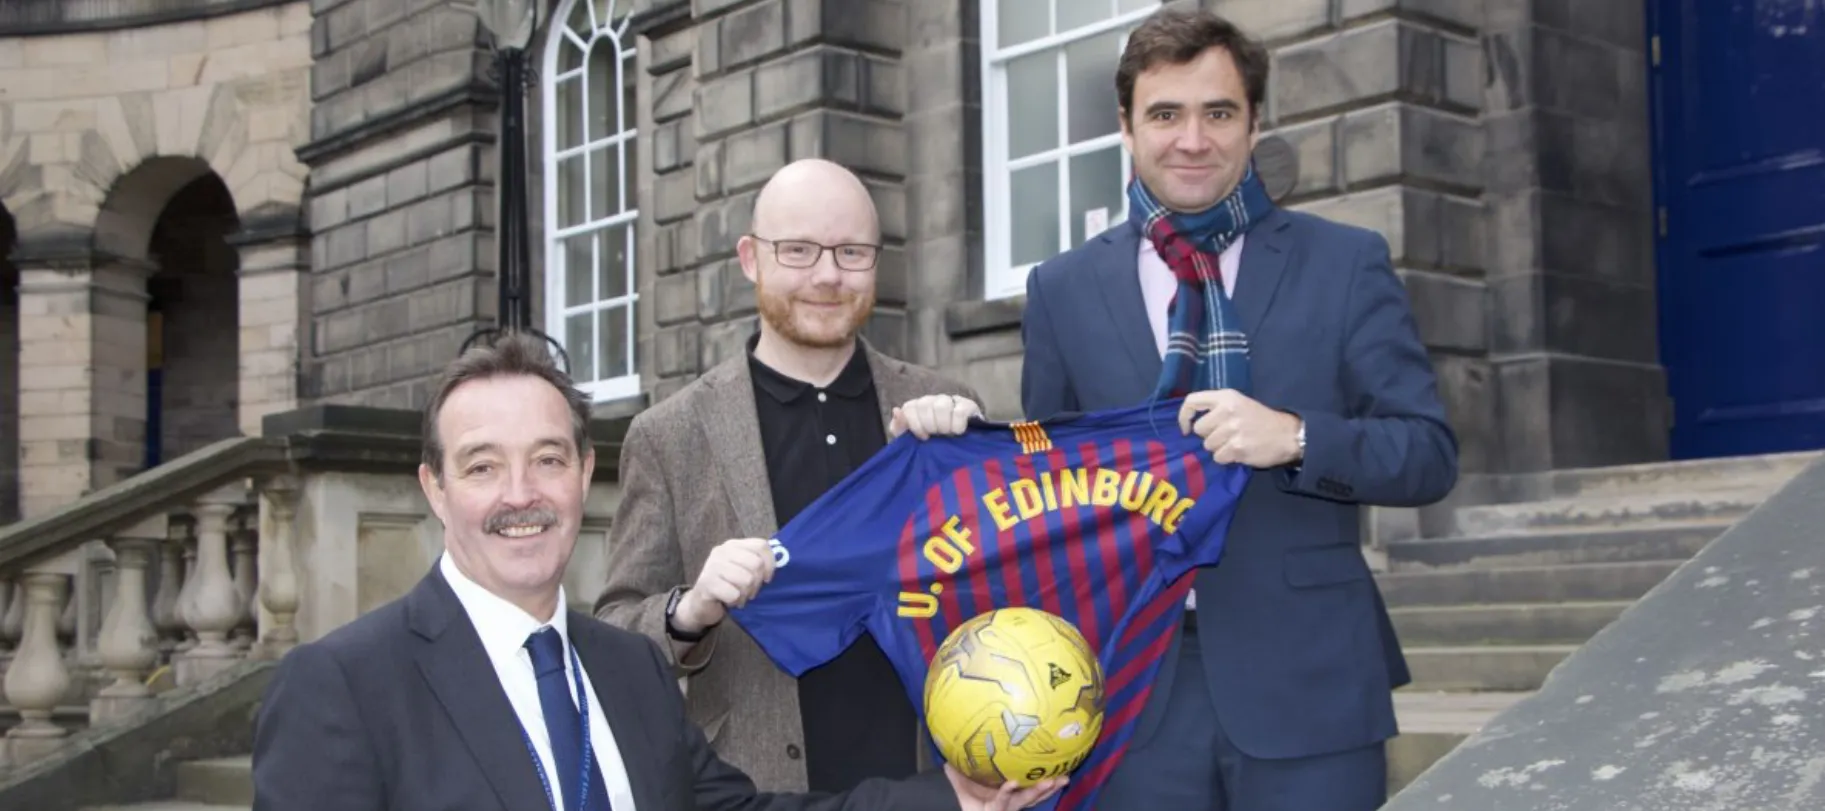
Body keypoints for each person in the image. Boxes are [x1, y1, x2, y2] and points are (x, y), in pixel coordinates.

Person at [248, 333, 1062, 811]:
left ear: (582, 472)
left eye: (546, 458)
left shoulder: (626, 666)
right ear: (434, 487)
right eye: (482, 466)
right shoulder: (341, 685)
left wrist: (952, 797)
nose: (521, 495)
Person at [1017, 8, 1458, 811]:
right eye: (1164, 113)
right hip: (1129, 691)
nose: (1192, 139)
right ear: (1125, 126)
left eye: (1217, 112)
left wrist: (1293, 437)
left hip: (1310, 685)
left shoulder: (1345, 263)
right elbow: (1046, 481)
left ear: (1254, 123)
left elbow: (1426, 452)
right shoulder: (1059, 289)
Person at [592, 158, 985, 794]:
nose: (828, 275)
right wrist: (689, 609)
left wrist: (979, 460)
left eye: (851, 251)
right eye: (798, 250)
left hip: (929, 787)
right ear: (751, 258)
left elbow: (1005, 584)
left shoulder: (944, 409)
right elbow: (612, 633)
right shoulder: (670, 435)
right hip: (756, 789)